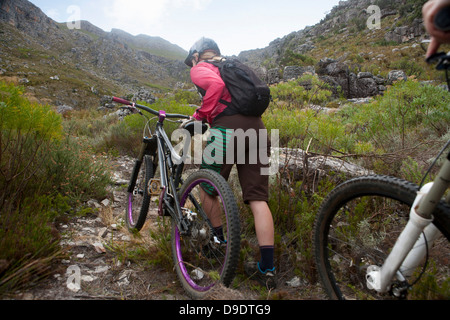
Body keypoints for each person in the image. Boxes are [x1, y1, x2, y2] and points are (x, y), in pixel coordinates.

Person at [184, 37, 277, 289]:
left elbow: (213, 86)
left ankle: (218, 245)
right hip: (257, 130)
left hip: (227, 129)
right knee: (258, 199)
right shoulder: (231, 64)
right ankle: (267, 268)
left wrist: (200, 116)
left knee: (206, 185)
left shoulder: (201, 67)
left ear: (196, 55)